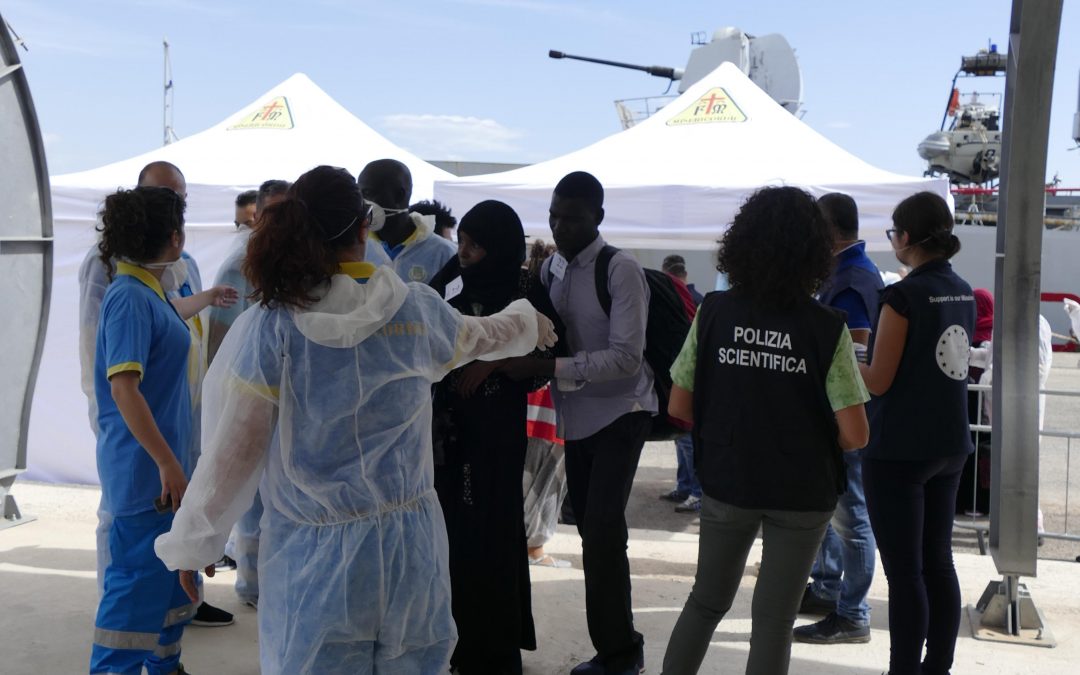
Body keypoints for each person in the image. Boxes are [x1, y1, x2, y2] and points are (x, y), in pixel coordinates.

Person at [154, 166, 557, 674]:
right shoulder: (414, 311)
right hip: (410, 550)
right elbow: (481, 334)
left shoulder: (274, 328)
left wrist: (196, 540)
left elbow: (234, 451)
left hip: (314, 562)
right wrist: (528, 322)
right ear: (364, 226)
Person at [660, 187, 869, 675]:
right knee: (774, 621)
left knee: (706, 602)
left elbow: (679, 403)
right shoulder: (827, 326)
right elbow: (856, 435)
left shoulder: (713, 311)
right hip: (802, 490)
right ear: (816, 250)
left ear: (743, 242)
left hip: (730, 480)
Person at [506, 171, 657, 675]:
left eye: (572, 217)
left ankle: (620, 653)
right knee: (594, 531)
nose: (560, 225)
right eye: (554, 215)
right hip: (576, 414)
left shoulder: (620, 269)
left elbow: (626, 359)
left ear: (599, 217)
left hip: (622, 412)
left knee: (604, 531)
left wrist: (548, 369)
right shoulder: (551, 268)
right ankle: (614, 648)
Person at [77, 160, 235, 628]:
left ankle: (168, 640)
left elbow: (169, 313)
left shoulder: (158, 278)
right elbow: (114, 372)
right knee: (132, 568)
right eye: (169, 199)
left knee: (167, 557)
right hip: (142, 441)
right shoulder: (123, 286)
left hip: (167, 424)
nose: (177, 207)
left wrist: (205, 299)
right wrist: (156, 452)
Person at [428, 200, 564, 674]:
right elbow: (424, 323)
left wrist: (494, 361)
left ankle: (495, 647)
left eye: (475, 246)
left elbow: (550, 346)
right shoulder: (449, 281)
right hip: (449, 430)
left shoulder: (524, 287)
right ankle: (455, 642)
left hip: (496, 430)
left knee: (493, 531)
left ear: (500, 248)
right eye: (461, 242)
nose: (464, 252)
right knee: (454, 533)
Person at [860, 191, 975, 675]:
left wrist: (843, 357)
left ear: (905, 238)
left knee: (905, 574)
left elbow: (878, 379)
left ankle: (902, 668)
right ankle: (938, 667)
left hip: (901, 448)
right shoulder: (963, 288)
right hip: (950, 442)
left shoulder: (902, 296)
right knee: (938, 563)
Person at [795, 192, 882, 645]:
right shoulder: (847, 273)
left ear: (829, 230)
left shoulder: (851, 278)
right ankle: (830, 591)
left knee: (852, 517)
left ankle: (853, 613)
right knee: (836, 512)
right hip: (838, 413)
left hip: (845, 415)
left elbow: (855, 354)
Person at [522, 240, 571, 569]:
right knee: (547, 479)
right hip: (553, 408)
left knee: (521, 475)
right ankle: (534, 548)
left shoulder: (520, 297)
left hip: (523, 405)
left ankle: (524, 544)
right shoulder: (560, 299)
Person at [358, 159, 456, 283]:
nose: (362, 202)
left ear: (399, 196)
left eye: (368, 193)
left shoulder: (443, 253)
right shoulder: (357, 247)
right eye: (359, 194)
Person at [658, 255, 703, 514]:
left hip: (684, 378)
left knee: (687, 441)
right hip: (683, 377)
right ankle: (685, 486)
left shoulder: (690, 301)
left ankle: (694, 491)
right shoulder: (698, 299)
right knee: (682, 441)